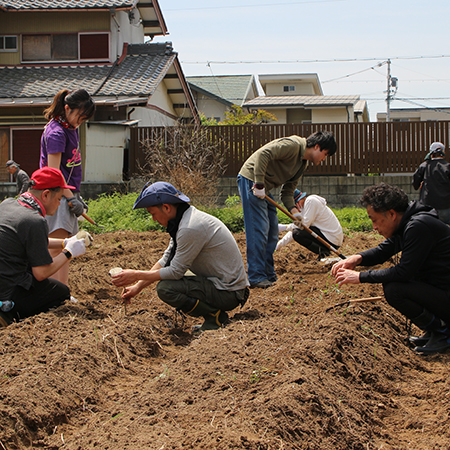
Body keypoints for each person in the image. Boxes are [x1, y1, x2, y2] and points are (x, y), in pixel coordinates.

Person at [111, 181, 249, 333]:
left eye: (153, 214)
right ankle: (214, 316)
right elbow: (166, 261)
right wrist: (137, 287)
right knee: (169, 280)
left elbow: (175, 271)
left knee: (166, 288)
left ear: (166, 207)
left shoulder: (190, 227)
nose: (154, 220)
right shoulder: (184, 221)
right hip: (222, 285)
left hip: (229, 292)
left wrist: (136, 274)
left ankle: (214, 318)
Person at [331, 183, 450, 355]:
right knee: (394, 286)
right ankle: (436, 330)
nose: (374, 227)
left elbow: (404, 272)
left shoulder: (418, 226)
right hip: (441, 289)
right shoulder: (409, 223)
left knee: (394, 289)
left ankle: (442, 331)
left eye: (374, 220)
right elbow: (384, 250)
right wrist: (358, 258)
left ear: (391, 214)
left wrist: (360, 277)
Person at [237, 131, 337, 289]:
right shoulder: (293, 145)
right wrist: (259, 183)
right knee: (259, 228)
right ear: (317, 147)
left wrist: (295, 212)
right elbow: (263, 154)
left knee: (272, 230)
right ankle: (256, 276)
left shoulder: (301, 165)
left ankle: (268, 274)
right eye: (325, 154)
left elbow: (288, 192)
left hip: (264, 188)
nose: (324, 159)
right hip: (251, 180)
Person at [0, 167, 89, 327]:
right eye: (59, 198)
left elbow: (31, 241)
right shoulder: (35, 220)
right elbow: (41, 273)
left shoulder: (7, 205)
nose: (59, 204)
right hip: (7, 293)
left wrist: (64, 242)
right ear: (46, 194)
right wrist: (69, 252)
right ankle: (9, 315)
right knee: (61, 292)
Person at [39, 88, 95, 286]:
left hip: (66, 194)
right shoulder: (56, 133)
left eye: (84, 119)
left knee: (67, 248)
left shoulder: (71, 128)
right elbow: (54, 173)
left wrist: (75, 196)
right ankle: (53, 293)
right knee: (57, 249)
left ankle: (61, 291)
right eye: (79, 116)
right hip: (56, 196)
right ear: (67, 108)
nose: (80, 122)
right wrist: (70, 197)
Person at [276, 190, 343, 259]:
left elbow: (304, 226)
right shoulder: (304, 208)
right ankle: (324, 252)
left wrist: (285, 227)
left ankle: (324, 252)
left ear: (297, 202)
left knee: (298, 234)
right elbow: (296, 228)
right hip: (328, 238)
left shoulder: (311, 201)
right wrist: (279, 244)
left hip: (332, 239)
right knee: (296, 232)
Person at [412, 141, 450, 225]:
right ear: (443, 152)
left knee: (429, 227)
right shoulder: (447, 166)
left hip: (427, 205)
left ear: (431, 153)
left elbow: (415, 183)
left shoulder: (424, 166)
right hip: (445, 205)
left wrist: (419, 184)